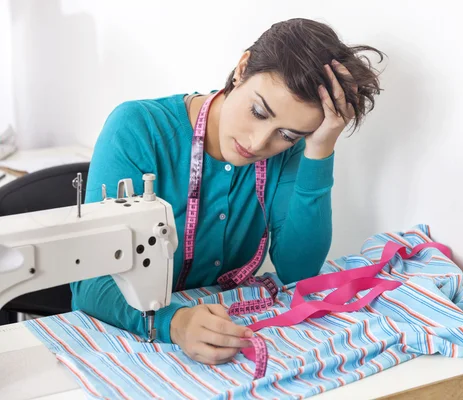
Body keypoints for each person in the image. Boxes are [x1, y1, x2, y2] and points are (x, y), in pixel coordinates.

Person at [71, 18, 384, 366]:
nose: (258, 142)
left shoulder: (288, 155)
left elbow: (300, 271)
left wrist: (320, 148)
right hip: (117, 336)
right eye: (258, 111)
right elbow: (89, 282)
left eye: (288, 134)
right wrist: (173, 322)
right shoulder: (137, 128)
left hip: (211, 345)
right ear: (242, 68)